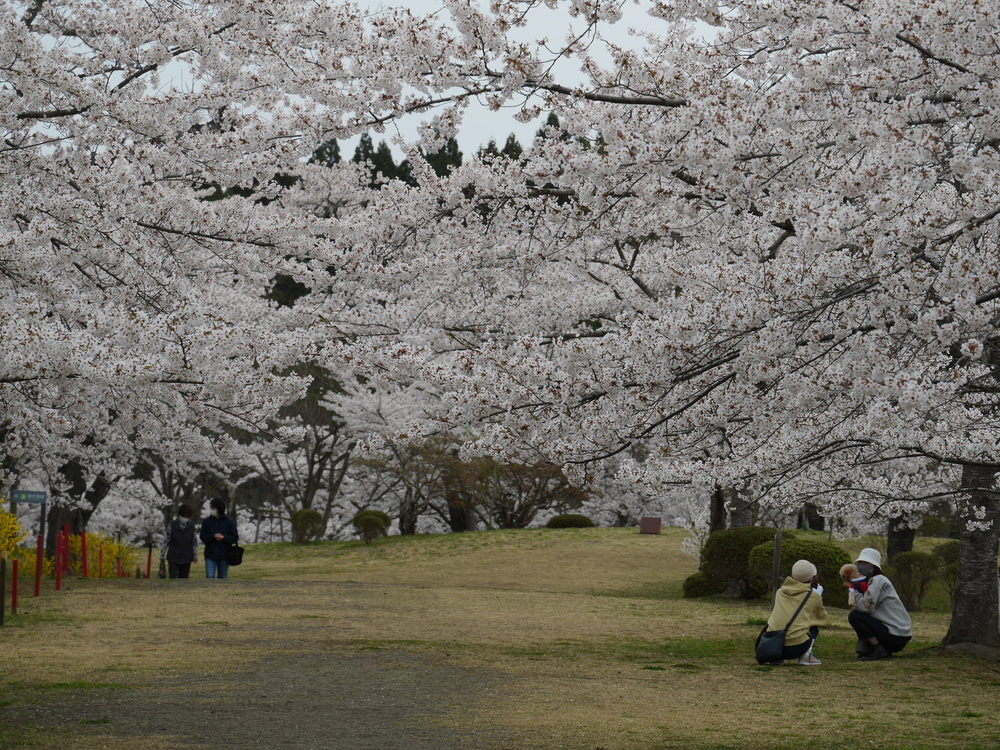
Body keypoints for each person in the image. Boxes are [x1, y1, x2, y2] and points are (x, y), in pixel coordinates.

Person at [848, 548, 912, 661]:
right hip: (899, 634)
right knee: (857, 615)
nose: (861, 566)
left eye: (866, 563)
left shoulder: (877, 580)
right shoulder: (875, 581)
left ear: (874, 567)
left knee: (855, 616)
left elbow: (866, 607)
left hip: (895, 635)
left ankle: (878, 649)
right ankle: (869, 646)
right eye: (860, 563)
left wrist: (853, 589)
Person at [763, 559, 830, 666]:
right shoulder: (813, 596)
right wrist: (818, 596)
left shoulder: (780, 592)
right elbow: (822, 618)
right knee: (814, 626)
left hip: (772, 644)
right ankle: (806, 656)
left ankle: (777, 658)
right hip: (796, 647)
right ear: (811, 578)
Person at [199, 498, 239, 580]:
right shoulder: (207, 522)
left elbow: (234, 537)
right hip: (210, 554)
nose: (211, 510)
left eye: (213, 508)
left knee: (223, 578)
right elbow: (202, 536)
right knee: (210, 577)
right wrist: (213, 536)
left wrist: (224, 537)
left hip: (224, 555)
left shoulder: (229, 522)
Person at [159, 503, 198, 579]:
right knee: (173, 578)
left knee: (184, 579)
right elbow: (166, 541)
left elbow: (194, 542)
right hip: (173, 557)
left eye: (187, 517)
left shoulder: (191, 526)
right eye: (184, 516)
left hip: (186, 557)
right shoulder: (172, 525)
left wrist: (195, 555)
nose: (185, 518)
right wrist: (162, 555)